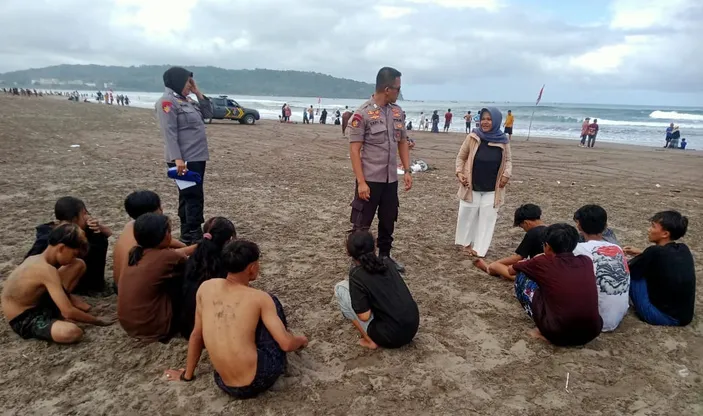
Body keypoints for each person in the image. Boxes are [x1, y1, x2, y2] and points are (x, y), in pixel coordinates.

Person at [164, 240, 308, 399]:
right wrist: (301, 340)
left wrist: (187, 375)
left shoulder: (206, 287)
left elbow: (197, 335)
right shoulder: (260, 298)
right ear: (252, 267)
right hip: (258, 379)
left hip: (223, 381)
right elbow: (286, 344)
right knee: (271, 305)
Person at [2, 224, 114, 343]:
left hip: (38, 302)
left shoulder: (38, 258)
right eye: (73, 254)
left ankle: (59, 312)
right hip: (24, 317)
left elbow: (59, 288)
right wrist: (98, 320)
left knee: (78, 264)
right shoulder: (46, 270)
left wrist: (83, 307)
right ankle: (57, 316)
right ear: (61, 248)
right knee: (72, 332)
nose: (73, 258)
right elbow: (68, 311)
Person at [347, 67, 412, 272]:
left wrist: (407, 170)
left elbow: (402, 142)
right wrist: (361, 182)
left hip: (390, 179)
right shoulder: (362, 114)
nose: (399, 92)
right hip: (369, 179)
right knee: (361, 223)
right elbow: (355, 150)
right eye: (397, 88)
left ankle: (385, 256)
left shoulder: (397, 111)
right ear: (386, 89)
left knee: (388, 219)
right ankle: (358, 261)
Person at [510, 224, 603, 346]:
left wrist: (533, 260)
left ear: (547, 247)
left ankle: (541, 331)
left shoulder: (542, 261)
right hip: (592, 331)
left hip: (556, 333)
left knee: (521, 277)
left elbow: (511, 270)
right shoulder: (586, 261)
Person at [156, 66, 213, 245]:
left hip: (196, 157)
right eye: (188, 82)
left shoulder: (186, 100)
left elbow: (208, 113)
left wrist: (197, 92)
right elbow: (169, 132)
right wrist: (177, 159)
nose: (190, 85)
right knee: (192, 195)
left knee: (189, 194)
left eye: (191, 82)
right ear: (178, 81)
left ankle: (188, 231)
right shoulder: (167, 102)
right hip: (184, 159)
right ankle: (193, 234)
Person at [334, 231, 419, 349]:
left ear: (349, 253)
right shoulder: (387, 262)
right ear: (374, 247)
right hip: (412, 327)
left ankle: (369, 341)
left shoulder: (356, 274)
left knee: (340, 288)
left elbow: (364, 316)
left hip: (391, 336)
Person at [117, 213, 191, 343]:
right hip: (153, 327)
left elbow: (176, 253)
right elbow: (184, 259)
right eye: (169, 231)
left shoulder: (134, 252)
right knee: (185, 279)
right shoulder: (167, 257)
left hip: (128, 324)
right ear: (164, 235)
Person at [454, 107, 512, 257]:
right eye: (483, 119)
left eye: (489, 119)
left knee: (487, 219)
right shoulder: (473, 137)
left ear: (496, 121)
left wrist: (506, 175)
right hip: (471, 185)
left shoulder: (503, 140)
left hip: (493, 188)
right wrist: (459, 173)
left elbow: (508, 161)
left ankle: (479, 249)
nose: (485, 122)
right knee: (467, 214)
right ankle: (465, 244)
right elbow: (461, 157)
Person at [25, 196, 111, 295]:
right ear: (74, 219)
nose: (87, 216)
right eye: (84, 213)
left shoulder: (75, 229)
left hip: (59, 277)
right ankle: (91, 287)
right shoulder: (50, 237)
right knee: (98, 241)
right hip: (54, 279)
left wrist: (98, 226)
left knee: (99, 237)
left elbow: (109, 233)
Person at [624, 211, 695, 326]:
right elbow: (663, 257)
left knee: (630, 275)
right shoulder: (683, 249)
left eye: (653, 226)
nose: (649, 229)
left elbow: (629, 270)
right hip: (685, 317)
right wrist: (642, 253)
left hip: (662, 317)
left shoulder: (654, 252)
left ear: (665, 234)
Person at [113, 191, 187, 289]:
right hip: (134, 289)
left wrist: (186, 246)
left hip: (119, 286)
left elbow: (173, 244)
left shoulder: (132, 226)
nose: (162, 209)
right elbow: (168, 256)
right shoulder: (143, 242)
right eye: (159, 207)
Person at [573, 205, 630, 332]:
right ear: (605, 227)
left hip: (595, 321)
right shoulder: (617, 249)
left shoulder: (577, 249)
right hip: (618, 315)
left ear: (579, 226)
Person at [181, 217, 236, 338]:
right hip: (210, 330)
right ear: (228, 240)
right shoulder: (226, 267)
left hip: (186, 325)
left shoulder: (192, 261)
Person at [473, 204, 546, 280]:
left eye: (522, 227)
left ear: (526, 223)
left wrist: (497, 263)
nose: (524, 229)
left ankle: (488, 267)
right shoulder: (552, 229)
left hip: (538, 274)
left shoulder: (532, 233)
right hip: (552, 268)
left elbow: (517, 258)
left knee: (496, 266)